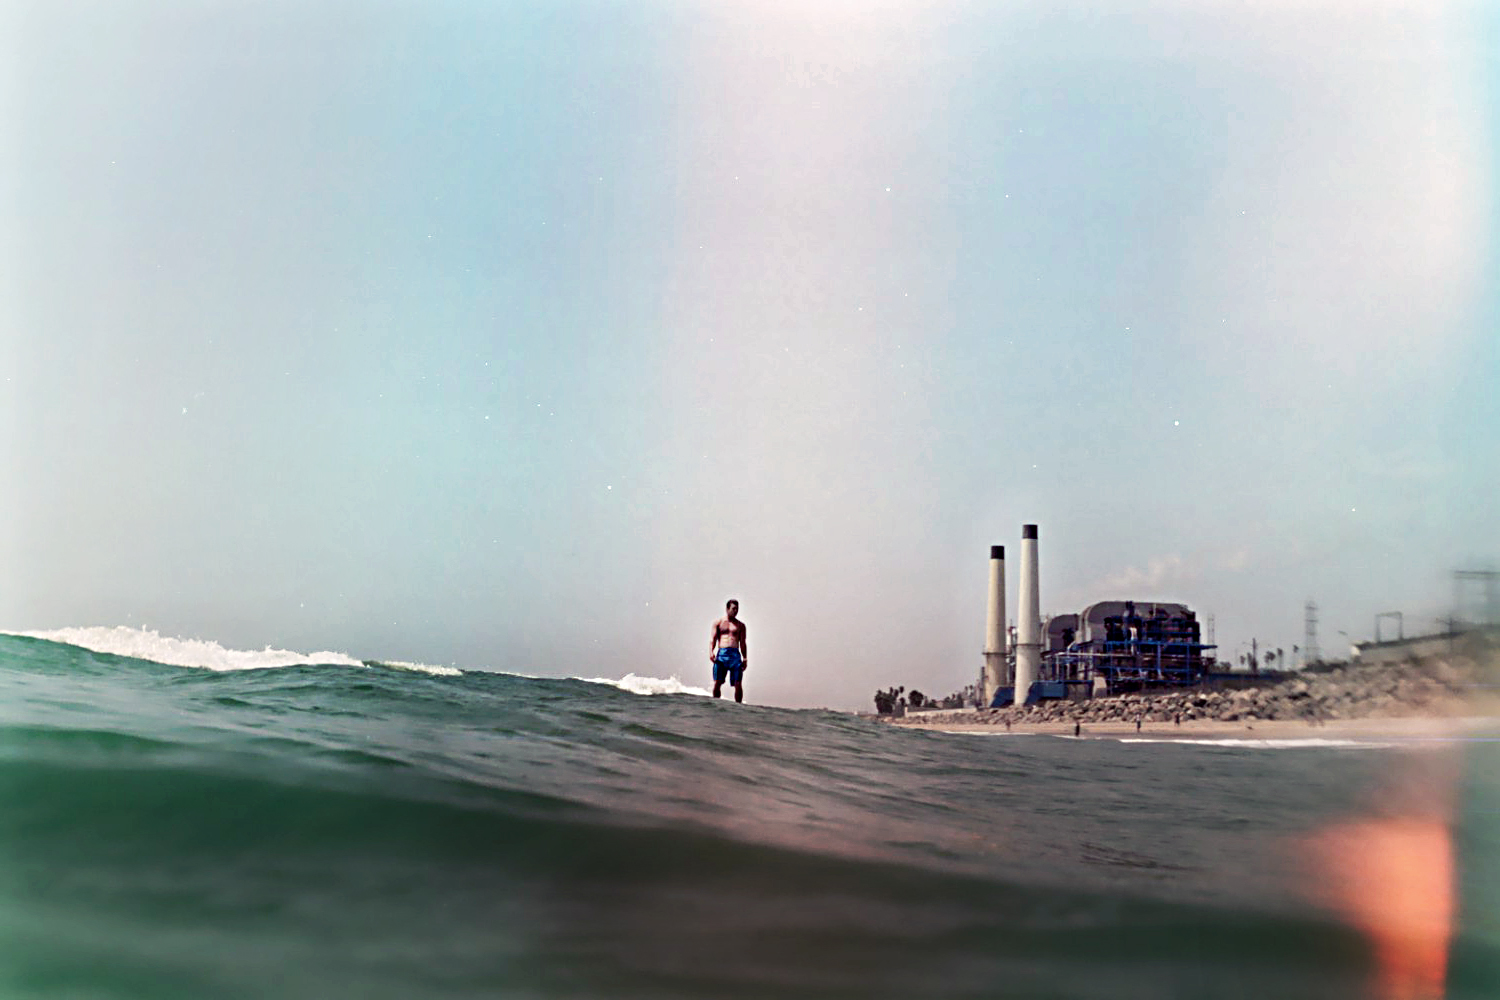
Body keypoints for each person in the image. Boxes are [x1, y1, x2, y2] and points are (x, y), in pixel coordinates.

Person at [710, 599, 747, 702]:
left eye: (737, 609)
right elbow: (712, 639)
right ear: (727, 609)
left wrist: (745, 658)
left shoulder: (741, 625)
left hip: (735, 655)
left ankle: (739, 707)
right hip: (722, 654)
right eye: (733, 609)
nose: (735, 611)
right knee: (718, 682)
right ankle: (715, 703)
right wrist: (711, 652)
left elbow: (743, 643)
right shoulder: (718, 623)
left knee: (738, 683)